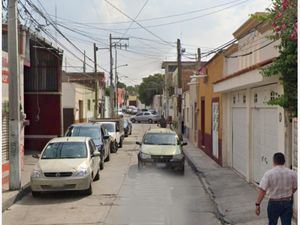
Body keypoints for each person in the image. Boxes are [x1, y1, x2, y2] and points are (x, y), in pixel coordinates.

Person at [255, 152, 297, 225]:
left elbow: (262, 190)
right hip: (287, 203)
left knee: (272, 223)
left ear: (274, 161)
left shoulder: (269, 174)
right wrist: (288, 193)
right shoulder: (292, 173)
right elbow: (295, 188)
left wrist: (257, 204)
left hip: (273, 203)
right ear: (284, 161)